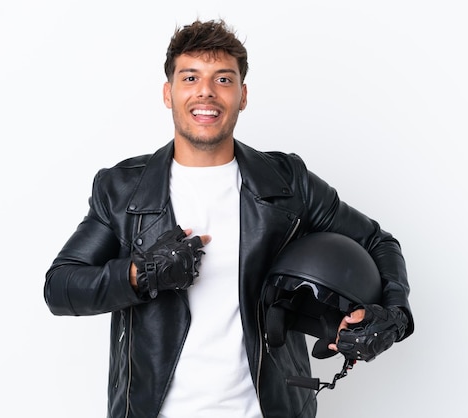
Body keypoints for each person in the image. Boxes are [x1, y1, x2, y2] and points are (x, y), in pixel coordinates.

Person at [44, 19, 414, 418]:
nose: (206, 91)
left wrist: (393, 315)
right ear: (169, 93)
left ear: (243, 95)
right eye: (190, 77)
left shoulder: (288, 183)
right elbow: (62, 286)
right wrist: (140, 274)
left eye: (223, 79)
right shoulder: (122, 190)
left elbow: (378, 242)